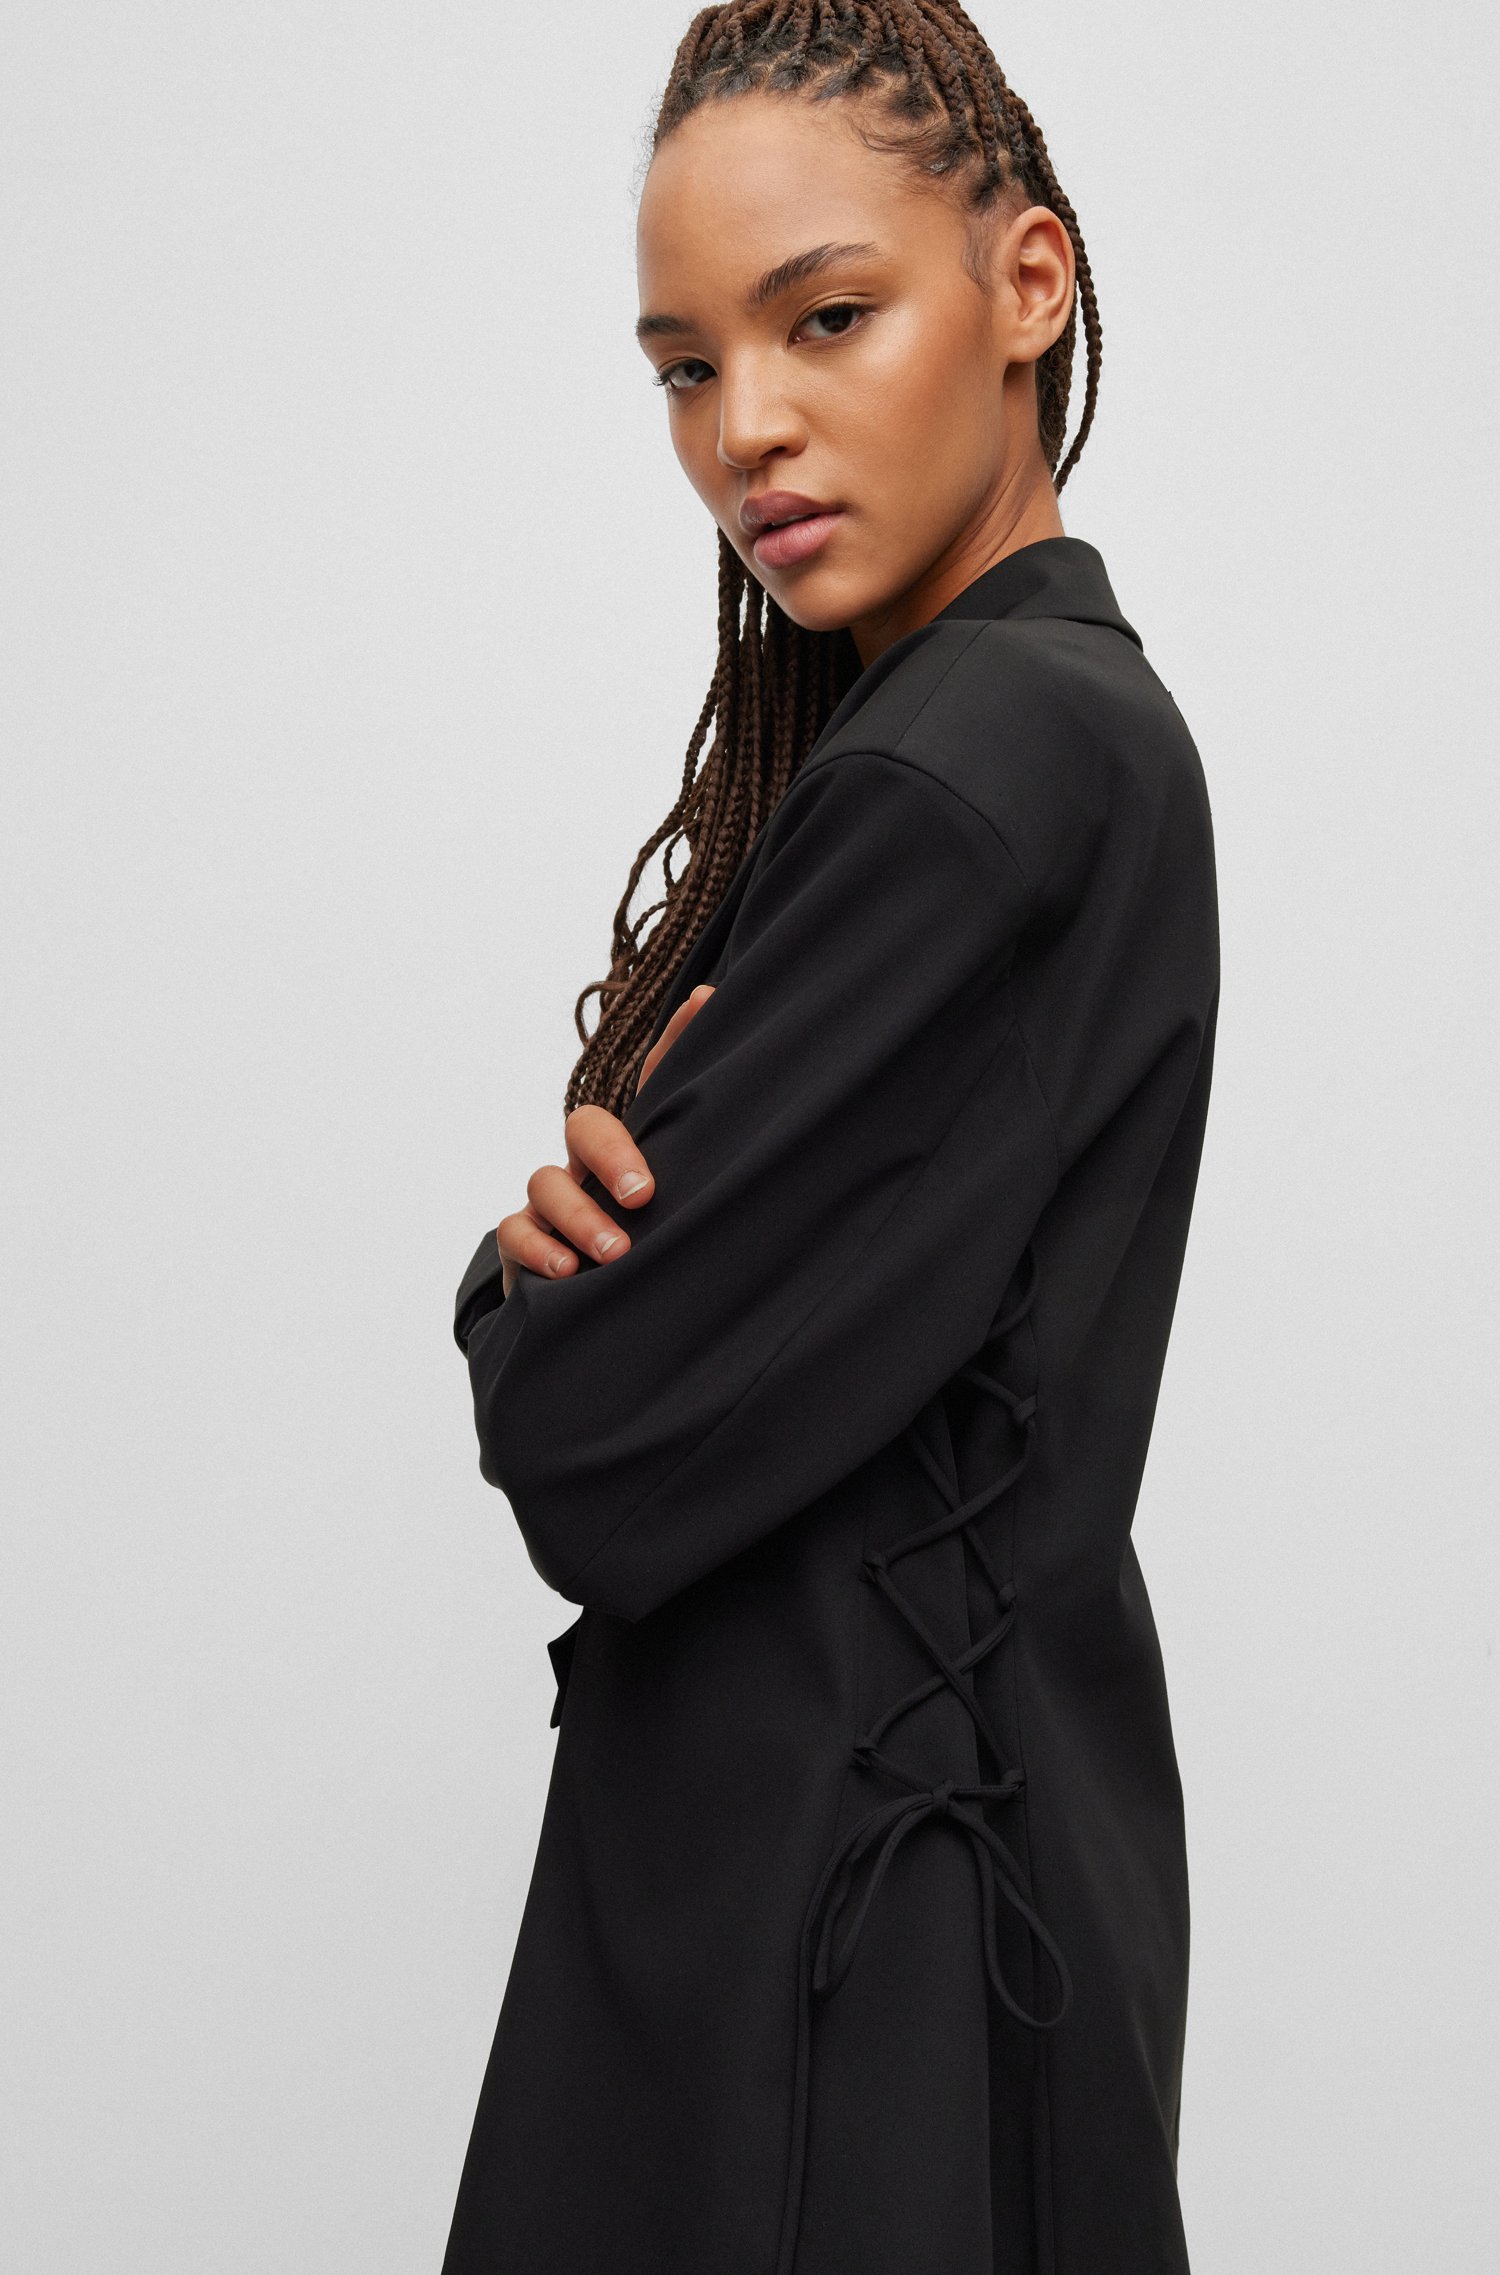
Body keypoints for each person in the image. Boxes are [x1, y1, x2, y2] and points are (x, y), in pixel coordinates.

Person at [444, 5, 1219, 2271]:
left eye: (827, 318)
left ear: (1028, 283)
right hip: (962, 1909)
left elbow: (585, 1441)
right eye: (686, 366)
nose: (745, 429)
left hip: (838, 1969)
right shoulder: (1054, 730)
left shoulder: (968, 771)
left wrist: (513, 1293)